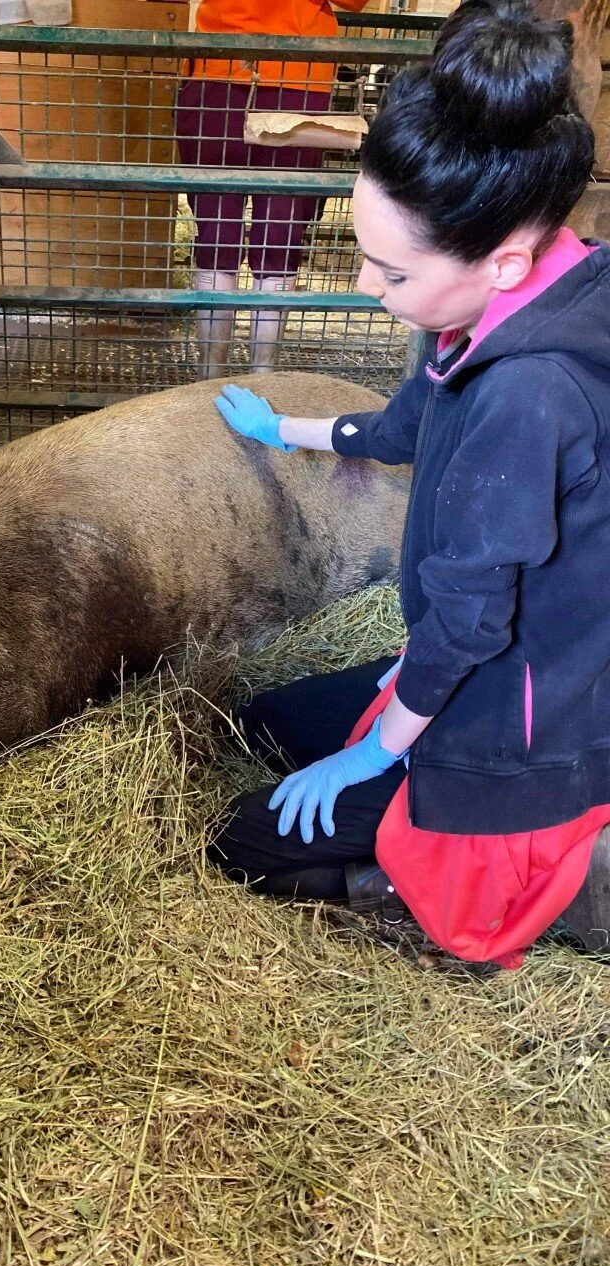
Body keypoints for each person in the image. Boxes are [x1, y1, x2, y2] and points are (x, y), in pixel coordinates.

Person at [209, 0, 610, 967]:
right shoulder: (514, 297)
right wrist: (284, 429)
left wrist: (377, 749)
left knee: (241, 843)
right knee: (259, 726)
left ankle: (519, 888)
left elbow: (467, 621)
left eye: (389, 273)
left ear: (502, 262)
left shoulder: (529, 392)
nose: (364, 285)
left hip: (525, 719)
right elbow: (405, 426)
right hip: (510, 662)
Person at [176, 0, 369, 377]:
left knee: (216, 229)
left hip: (220, 67)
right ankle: (263, 378)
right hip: (298, 73)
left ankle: (209, 377)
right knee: (280, 230)